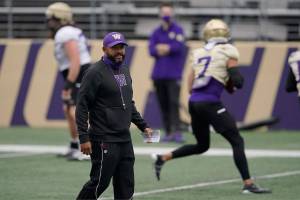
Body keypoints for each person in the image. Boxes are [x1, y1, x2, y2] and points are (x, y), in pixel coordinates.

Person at [153, 19, 271, 194]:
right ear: (225, 34)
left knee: (202, 145)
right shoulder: (228, 50)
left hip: (194, 102)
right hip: (210, 102)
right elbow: (237, 81)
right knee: (237, 141)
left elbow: (190, 83)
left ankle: (163, 157)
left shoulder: (199, 52)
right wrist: (234, 81)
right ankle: (248, 184)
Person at [75, 32, 153, 200]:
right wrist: (83, 137)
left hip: (124, 138)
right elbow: (82, 105)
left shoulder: (124, 70)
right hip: (103, 138)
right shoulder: (94, 72)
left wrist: (143, 125)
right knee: (99, 183)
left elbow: (127, 102)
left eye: (121, 48)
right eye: (114, 48)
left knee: (126, 184)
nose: (119, 52)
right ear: (104, 49)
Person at [45, 2, 91, 160]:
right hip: (74, 72)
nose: (48, 21)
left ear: (58, 17)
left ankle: (88, 148)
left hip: (79, 72)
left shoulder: (65, 32)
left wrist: (69, 84)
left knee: (77, 111)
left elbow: (75, 60)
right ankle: (74, 144)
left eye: (51, 17)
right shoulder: (68, 30)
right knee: (68, 109)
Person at [148, 2, 185, 143]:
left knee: (174, 103)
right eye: (164, 13)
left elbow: (178, 47)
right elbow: (151, 50)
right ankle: (168, 132)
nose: (166, 15)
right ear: (160, 14)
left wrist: (163, 47)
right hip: (158, 75)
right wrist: (166, 47)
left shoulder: (178, 30)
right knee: (163, 104)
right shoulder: (156, 32)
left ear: (172, 13)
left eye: (168, 12)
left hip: (173, 75)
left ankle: (177, 132)